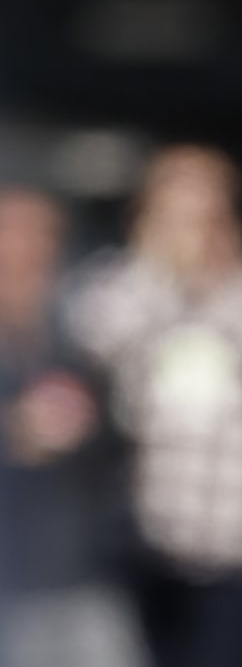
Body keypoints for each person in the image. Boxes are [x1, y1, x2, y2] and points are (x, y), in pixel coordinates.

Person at [64, 144, 242, 667]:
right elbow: (95, 342)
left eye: (206, 209)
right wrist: (163, 268)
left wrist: (225, 282)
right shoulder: (119, 285)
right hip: (149, 544)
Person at [0, 184, 149, 667]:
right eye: (14, 232)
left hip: (85, 576)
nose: (30, 246)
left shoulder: (75, 331)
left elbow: (116, 436)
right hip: (12, 587)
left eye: (44, 233)